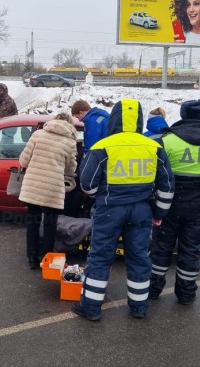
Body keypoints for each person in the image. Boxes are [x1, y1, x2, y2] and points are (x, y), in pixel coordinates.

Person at [71, 99, 175, 321]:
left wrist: (101, 195)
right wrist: (159, 214)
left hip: (109, 209)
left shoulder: (102, 146)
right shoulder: (154, 147)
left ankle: (90, 308)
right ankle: (139, 307)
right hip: (142, 211)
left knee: (100, 257)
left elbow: (87, 184)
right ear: (138, 119)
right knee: (139, 257)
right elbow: (167, 185)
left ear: (115, 118)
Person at [148, 99, 200, 305]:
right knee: (190, 250)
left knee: (161, 248)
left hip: (169, 207)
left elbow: (157, 171)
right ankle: (186, 294)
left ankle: (153, 289)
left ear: (184, 114)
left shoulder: (167, 140)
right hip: (199, 208)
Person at [18, 113, 78, 269]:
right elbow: (70, 170)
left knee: (33, 221)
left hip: (33, 185)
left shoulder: (38, 135)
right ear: (70, 124)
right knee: (50, 224)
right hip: (53, 187)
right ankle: (45, 258)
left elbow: (24, 161)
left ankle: (31, 258)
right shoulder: (69, 142)